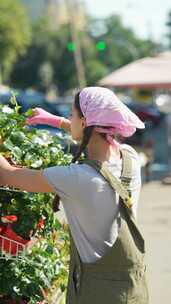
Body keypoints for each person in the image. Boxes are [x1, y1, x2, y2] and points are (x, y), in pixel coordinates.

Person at [0, 87, 149, 304]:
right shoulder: (130, 159)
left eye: (72, 114)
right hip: (132, 292)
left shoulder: (78, 179)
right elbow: (95, 131)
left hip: (96, 295)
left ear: (85, 122)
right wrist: (56, 121)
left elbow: (8, 175)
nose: (69, 117)